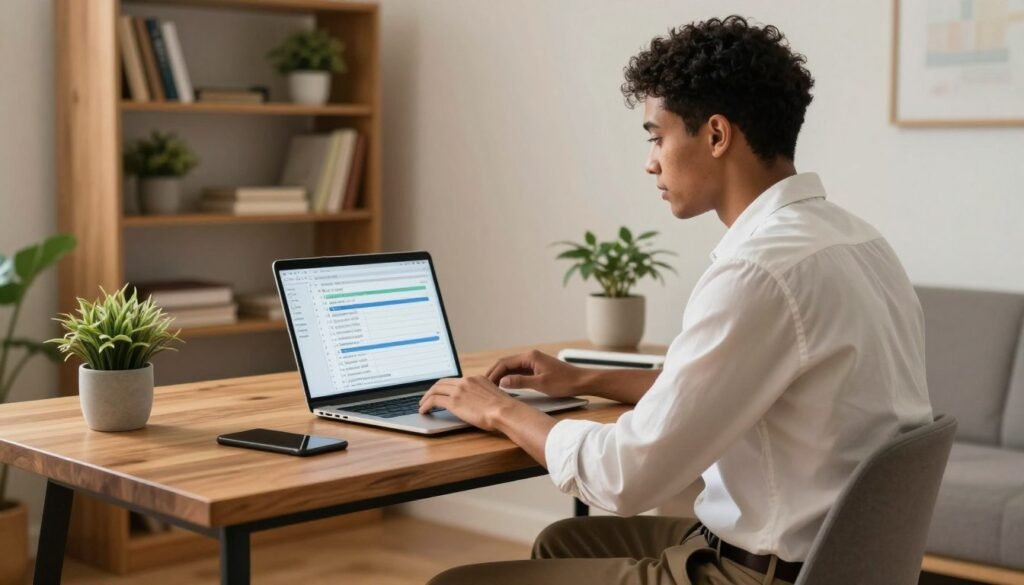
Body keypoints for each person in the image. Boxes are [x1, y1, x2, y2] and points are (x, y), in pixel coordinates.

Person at [419, 15, 933, 585]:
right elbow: (722, 386)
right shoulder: (855, 239)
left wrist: (495, 407)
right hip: (842, 561)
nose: (651, 161)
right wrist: (585, 378)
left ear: (716, 135)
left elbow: (625, 479)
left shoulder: (758, 271)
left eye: (657, 136)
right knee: (563, 540)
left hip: (762, 574)